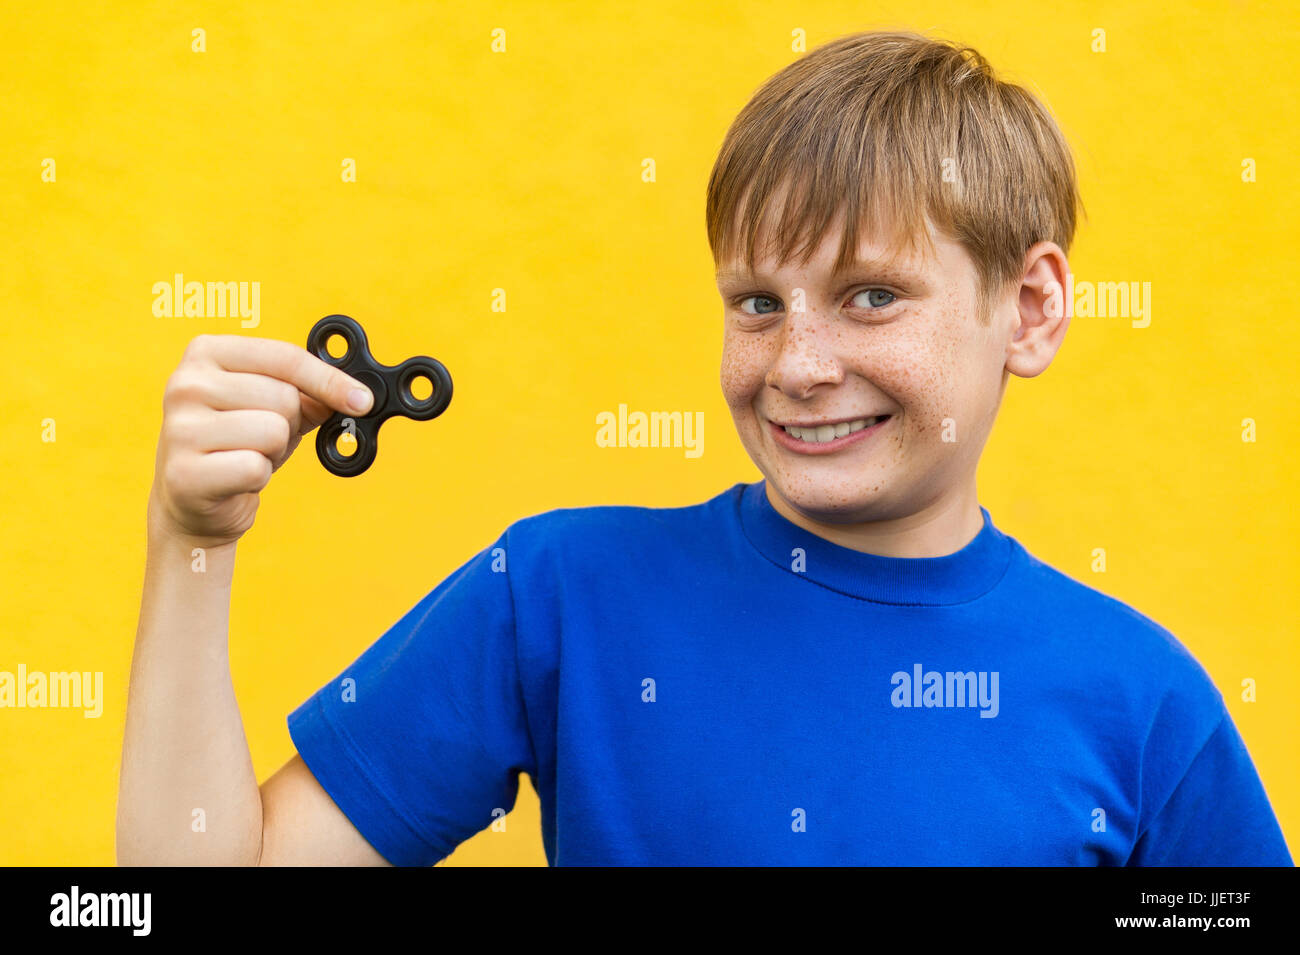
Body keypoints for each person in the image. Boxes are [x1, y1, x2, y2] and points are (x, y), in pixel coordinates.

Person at [117, 30, 1292, 866]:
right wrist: (191, 542)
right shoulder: (561, 597)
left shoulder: (1143, 703)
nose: (796, 363)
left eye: (871, 295)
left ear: (1029, 309)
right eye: (756, 302)